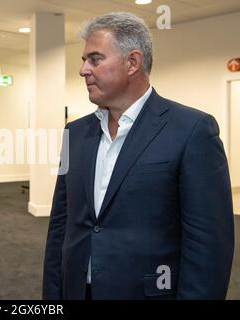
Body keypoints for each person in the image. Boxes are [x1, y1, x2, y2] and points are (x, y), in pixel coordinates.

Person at [43, 12, 234, 300]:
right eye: (83, 60)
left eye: (94, 59)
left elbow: (208, 247)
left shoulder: (192, 131)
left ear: (132, 62)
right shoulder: (75, 133)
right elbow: (61, 225)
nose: (83, 69)